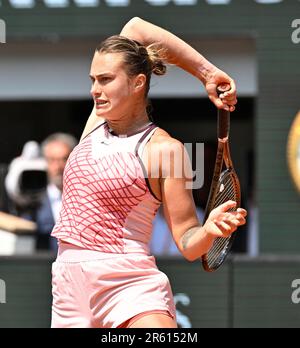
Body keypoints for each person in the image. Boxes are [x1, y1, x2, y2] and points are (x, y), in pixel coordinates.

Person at [51, 17, 247, 328]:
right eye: (92, 80)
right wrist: (206, 73)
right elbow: (136, 27)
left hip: (129, 288)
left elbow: (187, 241)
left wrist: (209, 230)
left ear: (137, 82)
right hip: (68, 293)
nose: (94, 90)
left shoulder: (165, 150)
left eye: (104, 80)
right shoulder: (95, 127)